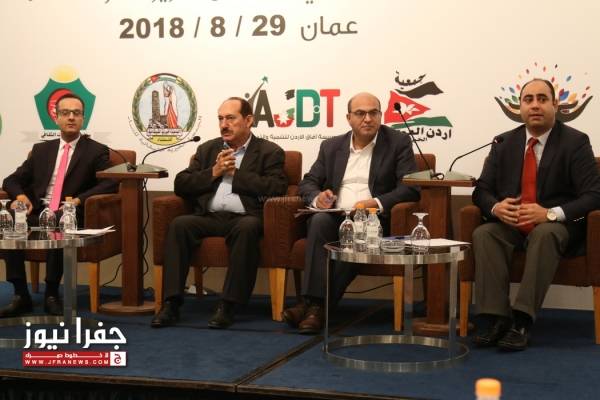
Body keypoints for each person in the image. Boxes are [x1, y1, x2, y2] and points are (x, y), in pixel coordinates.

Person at [471, 79, 600, 351]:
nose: (535, 105)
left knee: (545, 233)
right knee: (485, 233)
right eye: (528, 100)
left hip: (558, 227)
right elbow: (481, 190)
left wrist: (550, 214)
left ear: (555, 105)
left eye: (542, 99)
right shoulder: (504, 142)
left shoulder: (575, 142)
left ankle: (522, 321)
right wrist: (496, 207)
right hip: (513, 225)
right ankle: (495, 318)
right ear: (519, 107)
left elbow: (594, 194)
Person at [281, 92, 420, 334]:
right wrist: (318, 197)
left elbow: (410, 187)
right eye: (360, 113)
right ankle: (316, 307)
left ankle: (312, 307)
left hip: (373, 220)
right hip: (336, 214)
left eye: (373, 113)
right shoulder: (331, 146)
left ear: (381, 115)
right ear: (348, 118)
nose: (368, 118)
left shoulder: (398, 142)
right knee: (319, 220)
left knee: (357, 230)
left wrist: (374, 202)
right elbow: (308, 182)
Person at [151, 97, 288, 329]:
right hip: (210, 217)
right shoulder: (208, 149)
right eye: (221, 119)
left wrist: (236, 175)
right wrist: (214, 172)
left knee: (247, 228)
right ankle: (171, 303)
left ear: (248, 120)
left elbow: (277, 187)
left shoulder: (269, 152)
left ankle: (228, 305)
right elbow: (181, 184)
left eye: (231, 118)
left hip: (245, 218)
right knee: (180, 225)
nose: (224, 124)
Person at [0, 93, 117, 317]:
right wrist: (20, 196)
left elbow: (110, 182)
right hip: (38, 211)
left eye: (76, 113)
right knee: (12, 222)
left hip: (68, 213)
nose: (71, 117)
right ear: (56, 118)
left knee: (59, 222)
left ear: (83, 118)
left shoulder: (96, 150)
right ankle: (20, 295)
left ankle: (52, 294)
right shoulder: (41, 150)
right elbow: (11, 180)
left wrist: (79, 199)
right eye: (65, 113)